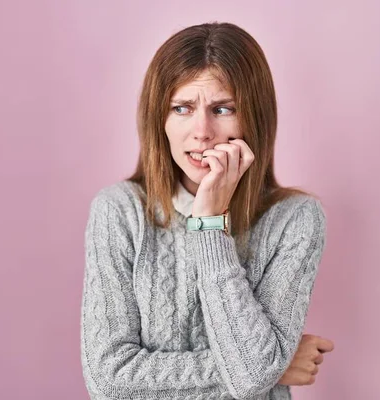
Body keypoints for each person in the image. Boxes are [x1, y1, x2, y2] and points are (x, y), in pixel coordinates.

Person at [80, 22, 334, 400]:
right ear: (160, 122)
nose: (202, 131)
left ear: (253, 118)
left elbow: (251, 376)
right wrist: (277, 364)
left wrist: (209, 225)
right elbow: (108, 380)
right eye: (181, 108)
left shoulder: (295, 220)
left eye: (222, 108)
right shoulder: (119, 210)